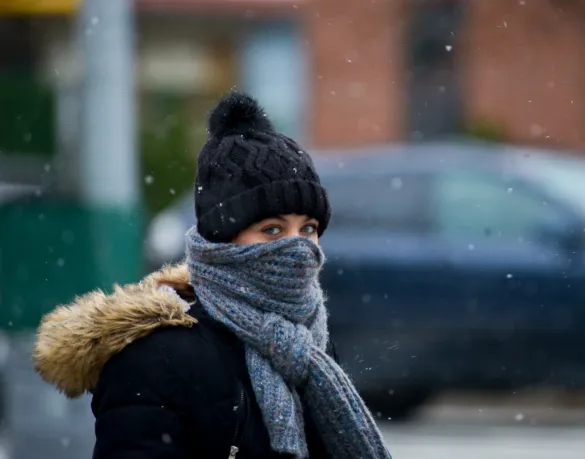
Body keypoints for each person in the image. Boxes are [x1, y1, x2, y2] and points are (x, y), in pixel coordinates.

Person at [33, 92, 391, 459]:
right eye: (272, 230)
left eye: (309, 229)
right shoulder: (156, 359)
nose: (298, 248)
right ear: (222, 239)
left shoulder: (311, 344)